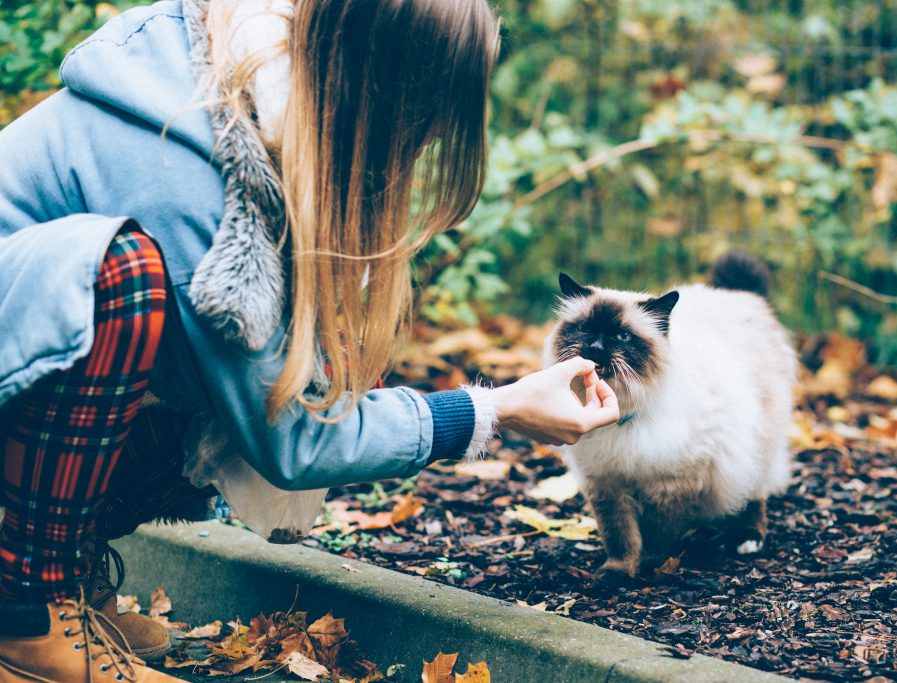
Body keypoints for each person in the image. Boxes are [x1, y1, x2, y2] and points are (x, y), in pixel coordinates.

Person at [0, 1, 619, 680]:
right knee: (122, 282)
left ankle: (63, 572)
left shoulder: (251, 113)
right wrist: (496, 409)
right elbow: (292, 436)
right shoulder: (195, 163)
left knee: (200, 355)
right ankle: (27, 616)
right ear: (385, 96)